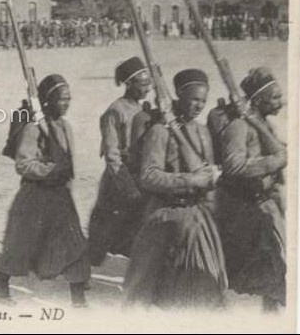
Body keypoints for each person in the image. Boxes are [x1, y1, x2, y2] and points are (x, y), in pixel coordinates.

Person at [123, 69, 226, 309]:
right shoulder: (160, 131)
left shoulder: (202, 131)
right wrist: (190, 180)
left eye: (203, 100)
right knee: (145, 292)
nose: (199, 106)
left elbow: (207, 173)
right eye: (194, 99)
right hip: (166, 217)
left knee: (206, 289)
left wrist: (212, 179)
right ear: (179, 95)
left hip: (199, 218)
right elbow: (149, 176)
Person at [0, 74, 90, 307]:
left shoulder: (65, 127)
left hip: (60, 196)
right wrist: (49, 170)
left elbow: (68, 163)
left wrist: (64, 181)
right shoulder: (33, 128)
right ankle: (0, 282)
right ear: (48, 100)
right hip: (35, 196)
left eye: (69, 98)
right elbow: (23, 164)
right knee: (22, 245)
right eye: (62, 98)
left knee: (74, 244)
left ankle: (79, 300)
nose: (66, 103)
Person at [214, 67, 286, 311]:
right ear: (257, 100)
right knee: (247, 273)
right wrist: (273, 162)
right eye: (275, 97)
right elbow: (233, 166)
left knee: (274, 265)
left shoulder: (264, 124)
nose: (281, 102)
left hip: (265, 205)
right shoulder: (238, 127)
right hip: (244, 210)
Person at [88, 57, 152, 265]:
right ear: (129, 84)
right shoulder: (115, 111)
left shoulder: (144, 109)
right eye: (143, 84)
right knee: (104, 229)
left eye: (149, 83)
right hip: (118, 179)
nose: (148, 88)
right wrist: (127, 186)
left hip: (138, 175)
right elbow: (112, 154)